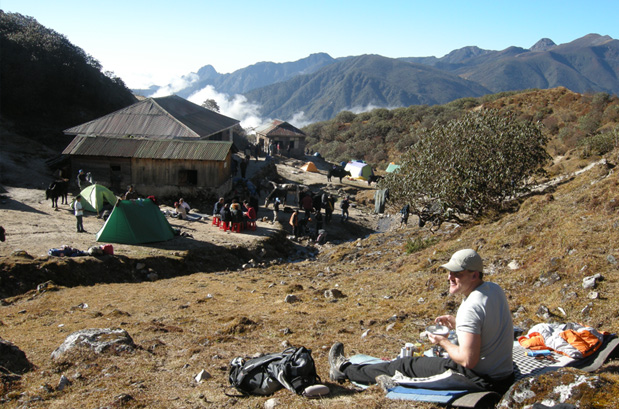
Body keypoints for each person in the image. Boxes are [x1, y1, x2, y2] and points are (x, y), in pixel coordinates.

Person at [328, 249, 514, 394]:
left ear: (474, 275)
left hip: (480, 380)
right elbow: (489, 328)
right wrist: (457, 324)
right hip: (503, 376)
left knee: (403, 366)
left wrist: (443, 341)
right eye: (449, 272)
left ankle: (344, 370)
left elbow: (468, 360)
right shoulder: (493, 290)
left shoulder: (470, 307)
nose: (450, 277)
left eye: (457, 273)